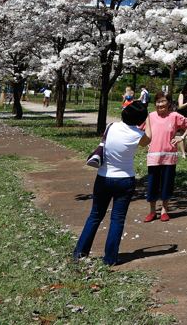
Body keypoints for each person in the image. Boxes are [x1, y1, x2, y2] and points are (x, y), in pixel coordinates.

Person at [74, 101, 150, 265]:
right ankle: (109, 259)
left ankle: (80, 252)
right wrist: (148, 119)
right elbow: (147, 140)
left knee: (95, 216)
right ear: (140, 119)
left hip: (104, 177)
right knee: (117, 219)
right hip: (125, 180)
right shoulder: (138, 134)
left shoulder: (111, 126)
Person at [142, 91, 187, 222]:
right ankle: (152, 211)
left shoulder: (174, 116)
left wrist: (181, 137)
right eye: (158, 102)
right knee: (152, 184)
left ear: (169, 103)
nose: (160, 104)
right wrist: (146, 142)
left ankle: (164, 210)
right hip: (154, 156)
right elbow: (140, 130)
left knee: (166, 184)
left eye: (163, 101)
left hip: (169, 157)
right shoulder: (150, 116)